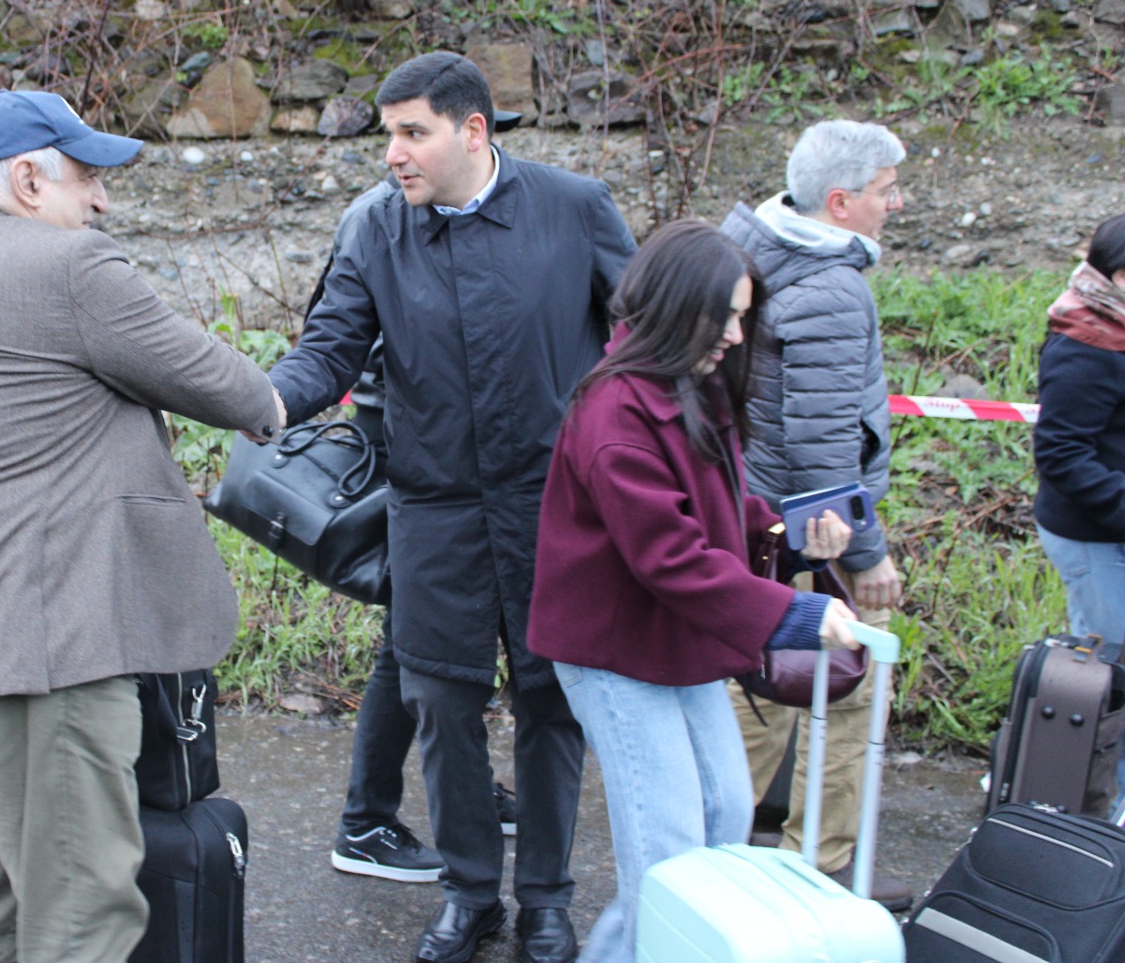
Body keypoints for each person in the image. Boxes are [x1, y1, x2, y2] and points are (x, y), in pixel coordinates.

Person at [0, 90, 279, 963]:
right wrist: (275, 401)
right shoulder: (69, 268)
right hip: (46, 653)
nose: (102, 200)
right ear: (29, 179)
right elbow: (222, 386)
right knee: (83, 910)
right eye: (88, 178)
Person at [268, 52, 638, 963]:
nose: (392, 153)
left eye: (412, 132)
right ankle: (470, 893)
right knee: (440, 706)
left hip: (555, 508)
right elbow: (327, 353)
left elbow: (643, 335)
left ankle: (547, 901)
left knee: (552, 707)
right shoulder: (374, 229)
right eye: (387, 133)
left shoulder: (573, 207)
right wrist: (254, 401)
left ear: (473, 131)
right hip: (432, 511)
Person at [527, 219, 861, 963]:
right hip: (614, 655)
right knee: (671, 859)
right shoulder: (615, 414)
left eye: (744, 315)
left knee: (724, 818)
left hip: (677, 643)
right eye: (729, 316)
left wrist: (784, 533)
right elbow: (671, 558)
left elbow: (715, 504)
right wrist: (799, 615)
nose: (740, 336)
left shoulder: (689, 388)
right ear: (680, 309)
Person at [717, 118, 913, 912]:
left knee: (755, 681)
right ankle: (814, 870)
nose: (894, 204)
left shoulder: (750, 245)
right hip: (802, 529)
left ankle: (714, 855)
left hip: (750, 514)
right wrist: (866, 557)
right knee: (837, 678)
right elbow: (827, 447)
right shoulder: (832, 289)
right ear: (840, 202)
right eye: (884, 191)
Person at [319, 183, 516, 887]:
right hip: (409, 457)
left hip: (454, 460)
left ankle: (465, 787)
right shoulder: (375, 218)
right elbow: (340, 332)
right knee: (411, 645)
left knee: (443, 640)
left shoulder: (460, 213)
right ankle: (364, 822)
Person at [1035, 214, 1125, 804]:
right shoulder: (1087, 340)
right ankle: (1081, 802)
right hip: (1094, 535)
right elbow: (1061, 453)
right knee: (1105, 677)